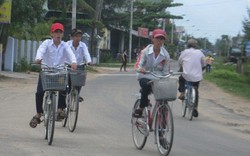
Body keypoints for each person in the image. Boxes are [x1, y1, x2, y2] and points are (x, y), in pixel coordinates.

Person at [29, 22, 77, 128]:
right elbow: (40, 51)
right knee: (39, 93)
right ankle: (38, 114)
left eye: (60, 32)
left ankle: (60, 109)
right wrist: (38, 58)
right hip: (46, 72)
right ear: (52, 34)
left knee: (64, 88)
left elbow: (70, 53)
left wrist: (73, 62)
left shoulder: (64, 45)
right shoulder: (46, 43)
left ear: (62, 34)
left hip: (59, 73)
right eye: (56, 32)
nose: (58, 34)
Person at [134, 28, 170, 117]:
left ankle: (163, 120)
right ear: (152, 39)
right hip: (145, 75)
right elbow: (138, 64)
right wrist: (141, 68)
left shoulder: (165, 55)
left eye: (162, 39)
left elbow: (166, 71)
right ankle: (141, 108)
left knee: (164, 96)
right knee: (145, 87)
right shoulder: (145, 51)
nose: (159, 41)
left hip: (158, 77)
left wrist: (166, 79)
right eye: (157, 38)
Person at [178, 39, 206, 117]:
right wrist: (201, 68)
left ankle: (182, 92)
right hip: (197, 76)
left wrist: (181, 67)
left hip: (186, 75)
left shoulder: (184, 52)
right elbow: (204, 64)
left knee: (181, 78)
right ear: (195, 46)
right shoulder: (200, 52)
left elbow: (180, 62)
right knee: (196, 90)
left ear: (187, 45)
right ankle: (195, 107)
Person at [67, 28, 92, 101]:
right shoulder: (67, 44)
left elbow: (86, 54)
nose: (78, 38)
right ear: (72, 37)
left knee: (80, 80)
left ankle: (77, 94)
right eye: (76, 36)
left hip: (79, 66)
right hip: (69, 65)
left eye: (79, 36)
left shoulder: (83, 45)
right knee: (68, 82)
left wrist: (89, 61)